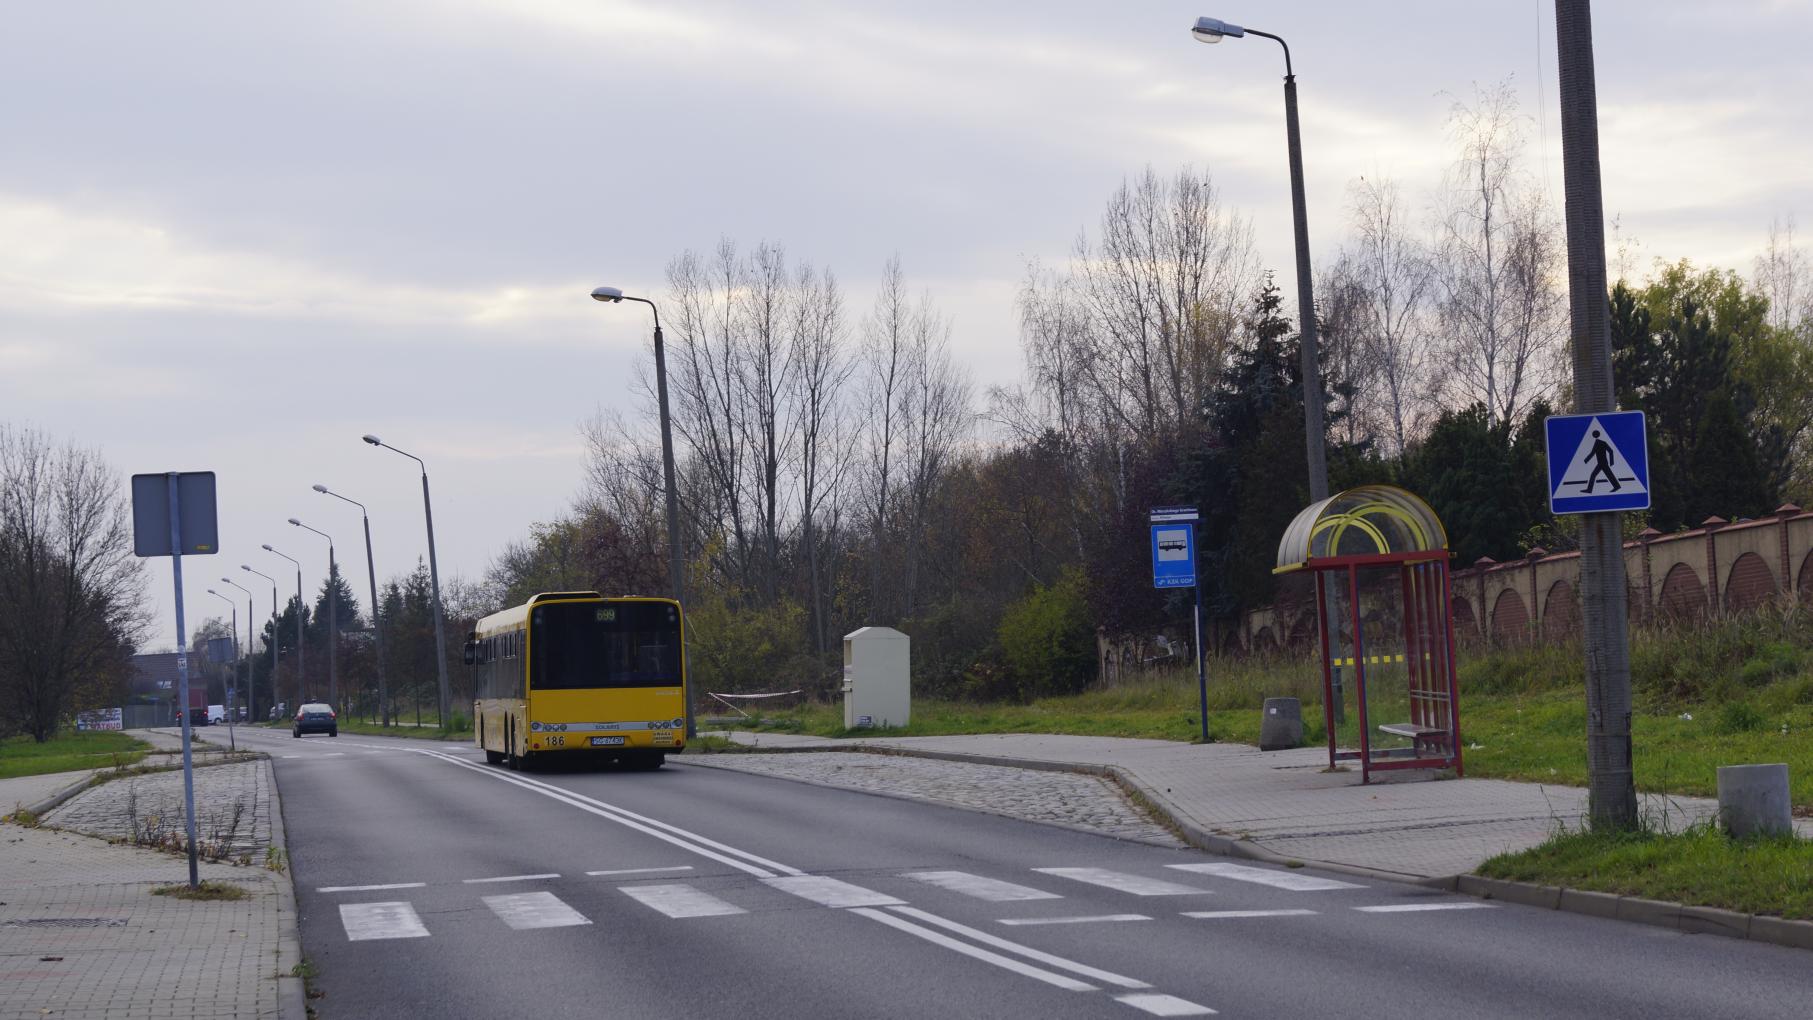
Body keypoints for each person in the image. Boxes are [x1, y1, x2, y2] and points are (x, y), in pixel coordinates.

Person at [1583, 429, 1621, 494]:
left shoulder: (1598, 443)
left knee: (1596, 475)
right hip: (1602, 463)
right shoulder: (1602, 442)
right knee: (1605, 475)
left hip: (1602, 463)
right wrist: (1611, 462)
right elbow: (1610, 451)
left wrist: (1586, 460)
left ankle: (1589, 490)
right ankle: (1616, 486)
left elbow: (1593, 453)